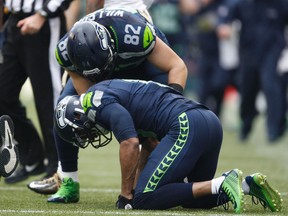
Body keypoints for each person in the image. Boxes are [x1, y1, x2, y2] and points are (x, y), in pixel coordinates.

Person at [51, 79, 282, 213]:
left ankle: (223, 180)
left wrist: (126, 195)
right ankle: (247, 185)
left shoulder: (95, 99)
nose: (85, 136)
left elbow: (130, 143)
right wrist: (134, 185)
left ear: (77, 116)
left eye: (79, 131)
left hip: (187, 123)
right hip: (208, 121)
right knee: (196, 200)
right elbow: (148, 143)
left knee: (144, 199)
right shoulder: (115, 91)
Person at [27, 7, 187, 195]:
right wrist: (96, 116)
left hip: (140, 63)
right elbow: (90, 98)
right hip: (95, 69)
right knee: (64, 111)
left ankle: (169, 175)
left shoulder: (136, 35)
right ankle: (68, 180)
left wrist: (170, 103)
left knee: (156, 127)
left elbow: (177, 66)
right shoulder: (65, 51)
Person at [0, 0, 73, 184]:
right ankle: (32, 156)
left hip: (45, 24)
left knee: (49, 98)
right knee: (3, 93)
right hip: (13, 23)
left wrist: (42, 15)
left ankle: (58, 167)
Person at [217, 0, 288, 142]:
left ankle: (274, 130)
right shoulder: (241, 3)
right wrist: (224, 27)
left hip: (273, 52)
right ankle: (246, 126)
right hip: (248, 53)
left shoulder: (281, 3)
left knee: (271, 88)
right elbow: (224, 21)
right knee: (247, 90)